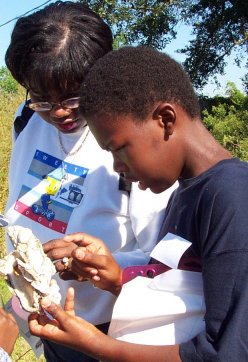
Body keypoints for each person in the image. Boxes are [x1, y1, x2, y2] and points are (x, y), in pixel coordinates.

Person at [28, 46, 248, 361]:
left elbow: (228, 352)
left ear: (165, 119)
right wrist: (117, 278)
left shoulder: (232, 198)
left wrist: (97, 345)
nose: (117, 167)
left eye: (119, 149)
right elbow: (181, 297)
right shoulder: (183, 194)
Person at [5, 3, 175, 361]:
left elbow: (164, 257)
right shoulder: (26, 120)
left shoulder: (131, 140)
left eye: (72, 96)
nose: (59, 112)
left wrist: (93, 261)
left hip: (107, 330)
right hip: (46, 315)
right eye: (42, 99)